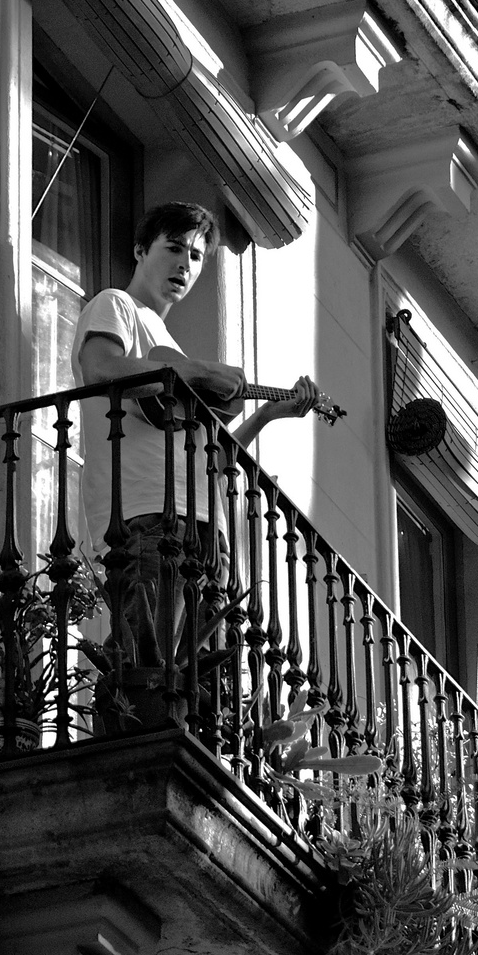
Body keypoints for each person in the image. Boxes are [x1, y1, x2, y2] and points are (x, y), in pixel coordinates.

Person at [70, 201, 319, 667]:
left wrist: (266, 416)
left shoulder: (171, 348)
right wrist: (200, 369)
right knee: (151, 666)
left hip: (206, 529)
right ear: (141, 250)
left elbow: (209, 456)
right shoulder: (116, 306)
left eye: (198, 256)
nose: (186, 264)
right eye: (175, 248)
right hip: (147, 515)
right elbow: (100, 368)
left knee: (199, 681)